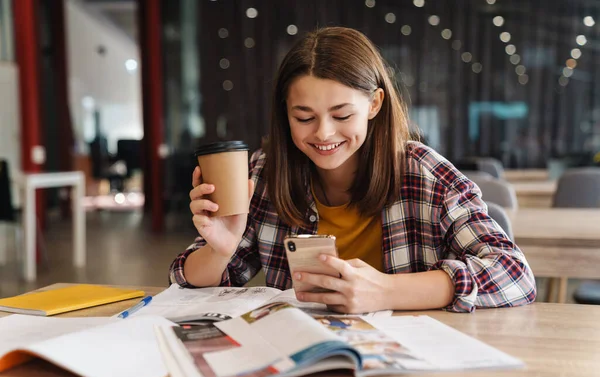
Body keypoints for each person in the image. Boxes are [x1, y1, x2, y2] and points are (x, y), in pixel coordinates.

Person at [170, 27, 536, 314]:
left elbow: (514, 275)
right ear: (286, 113)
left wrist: (384, 292)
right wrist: (221, 249)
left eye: (342, 115)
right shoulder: (265, 175)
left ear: (374, 104)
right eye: (304, 117)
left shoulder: (425, 175)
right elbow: (187, 284)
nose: (324, 133)